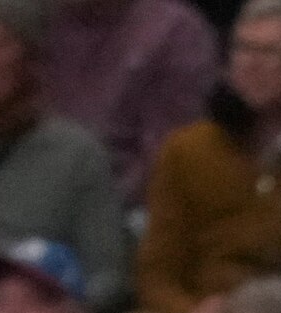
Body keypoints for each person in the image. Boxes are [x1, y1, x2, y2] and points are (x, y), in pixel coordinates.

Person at [127, 0, 281, 313]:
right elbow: (157, 274)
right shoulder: (186, 150)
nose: (250, 63)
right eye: (243, 49)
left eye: (269, 52)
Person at [0, 0, 129, 278]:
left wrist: (61, 312)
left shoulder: (77, 155)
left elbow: (107, 271)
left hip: (27, 306)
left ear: (31, 61)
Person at [47, 0, 219, 216]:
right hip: (35, 191)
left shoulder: (174, 31)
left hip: (124, 207)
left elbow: (163, 157)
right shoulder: (39, 22)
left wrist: (88, 208)